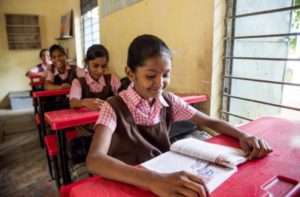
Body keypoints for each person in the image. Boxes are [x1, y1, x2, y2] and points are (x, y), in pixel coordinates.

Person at [86, 34, 272, 197]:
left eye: (166, 74)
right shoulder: (113, 107)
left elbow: (210, 121)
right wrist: (152, 180)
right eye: (151, 75)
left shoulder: (168, 101)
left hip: (164, 178)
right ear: (130, 73)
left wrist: (243, 135)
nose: (160, 83)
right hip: (128, 183)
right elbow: (94, 159)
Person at [69, 44, 121, 111]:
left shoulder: (112, 79)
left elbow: (123, 97)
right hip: (87, 120)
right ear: (86, 63)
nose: (100, 71)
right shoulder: (78, 82)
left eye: (103, 66)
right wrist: (84, 102)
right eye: (95, 66)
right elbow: (73, 103)